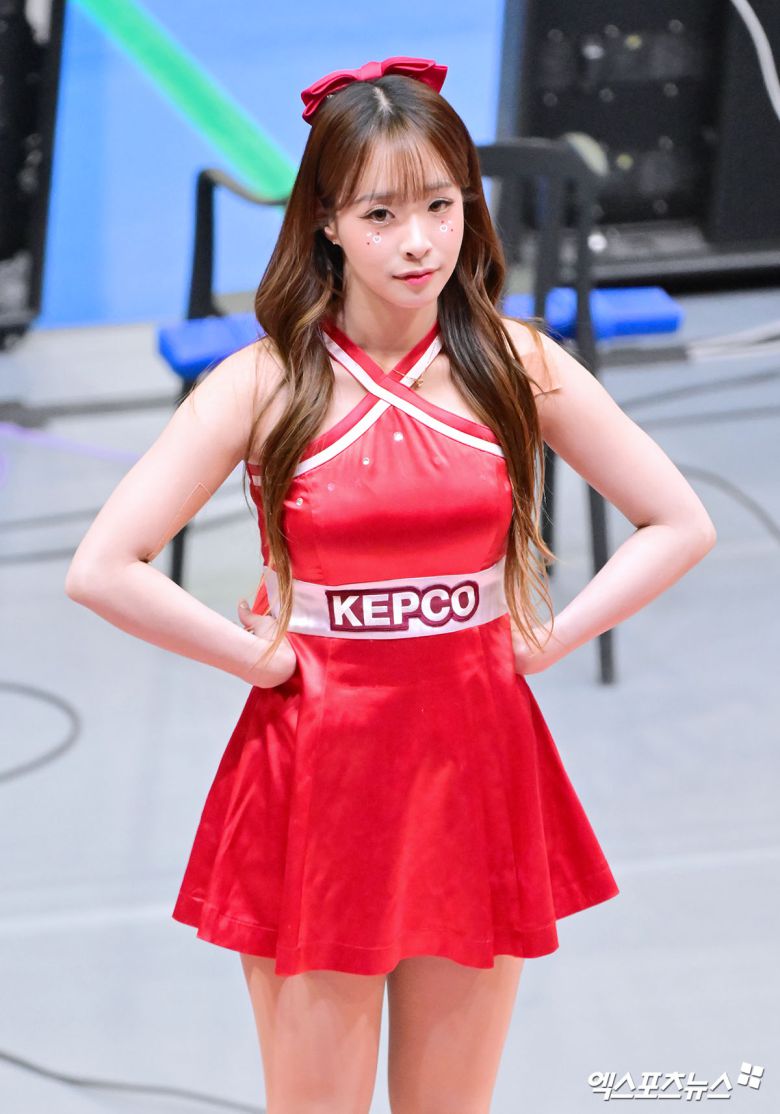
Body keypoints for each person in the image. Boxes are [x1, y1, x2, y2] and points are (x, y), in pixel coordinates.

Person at [65, 55, 717, 1114]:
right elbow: (103, 566)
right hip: (317, 774)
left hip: (475, 762)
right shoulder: (266, 381)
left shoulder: (517, 363)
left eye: (440, 206)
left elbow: (679, 521)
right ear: (326, 221)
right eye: (380, 214)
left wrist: (548, 636)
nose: (418, 242)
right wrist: (259, 658)